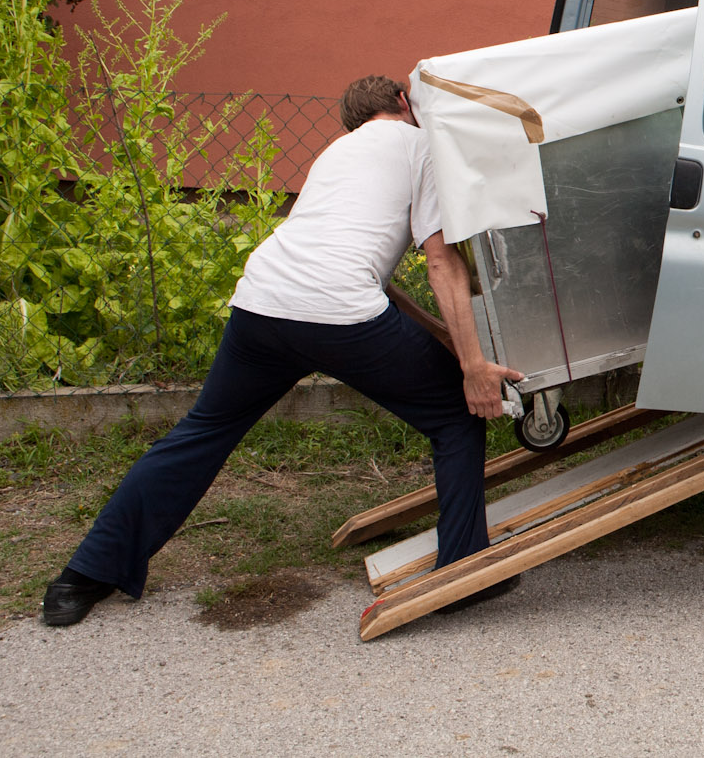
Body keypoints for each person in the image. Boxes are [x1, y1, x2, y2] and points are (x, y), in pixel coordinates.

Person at [41, 75, 523, 627]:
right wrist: (472, 367)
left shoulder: (336, 154)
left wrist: (441, 336)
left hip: (262, 302)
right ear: (402, 102)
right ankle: (462, 571)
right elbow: (442, 262)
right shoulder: (422, 146)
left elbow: (373, 274)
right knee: (456, 412)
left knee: (203, 431)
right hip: (339, 312)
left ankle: (83, 576)